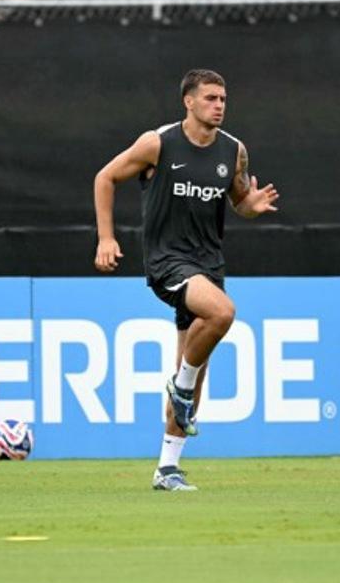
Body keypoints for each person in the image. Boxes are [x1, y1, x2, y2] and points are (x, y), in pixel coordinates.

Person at [93, 68, 279, 492]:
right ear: (189, 102)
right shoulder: (157, 143)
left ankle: (167, 468)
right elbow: (104, 177)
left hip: (208, 264)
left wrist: (252, 204)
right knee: (223, 314)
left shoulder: (234, 151)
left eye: (224, 99)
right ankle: (180, 386)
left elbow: (239, 203)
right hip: (167, 261)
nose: (219, 105)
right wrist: (106, 237)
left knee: (195, 368)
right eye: (211, 98)